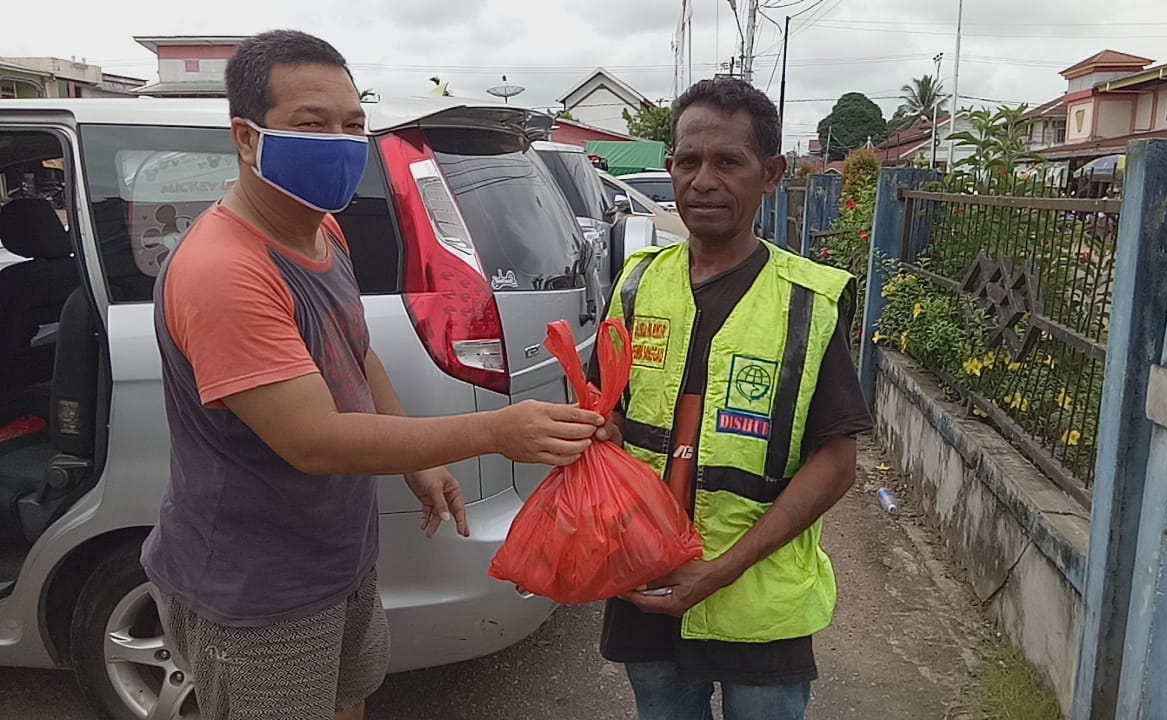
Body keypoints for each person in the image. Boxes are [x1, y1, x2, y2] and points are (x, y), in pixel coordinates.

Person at [141, 30, 602, 720]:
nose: (339, 141)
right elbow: (313, 440)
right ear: (246, 137)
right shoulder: (225, 271)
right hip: (256, 590)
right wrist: (492, 432)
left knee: (349, 700)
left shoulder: (323, 229)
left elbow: (355, 351)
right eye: (311, 124)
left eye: (352, 124)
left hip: (336, 556)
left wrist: (414, 457)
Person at [593, 77, 873, 720]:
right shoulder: (637, 285)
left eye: (727, 162)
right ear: (669, 169)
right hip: (647, 585)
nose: (702, 180)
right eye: (688, 162)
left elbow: (836, 462)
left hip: (760, 601)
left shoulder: (809, 302)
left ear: (770, 173)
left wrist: (719, 570)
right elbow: (603, 407)